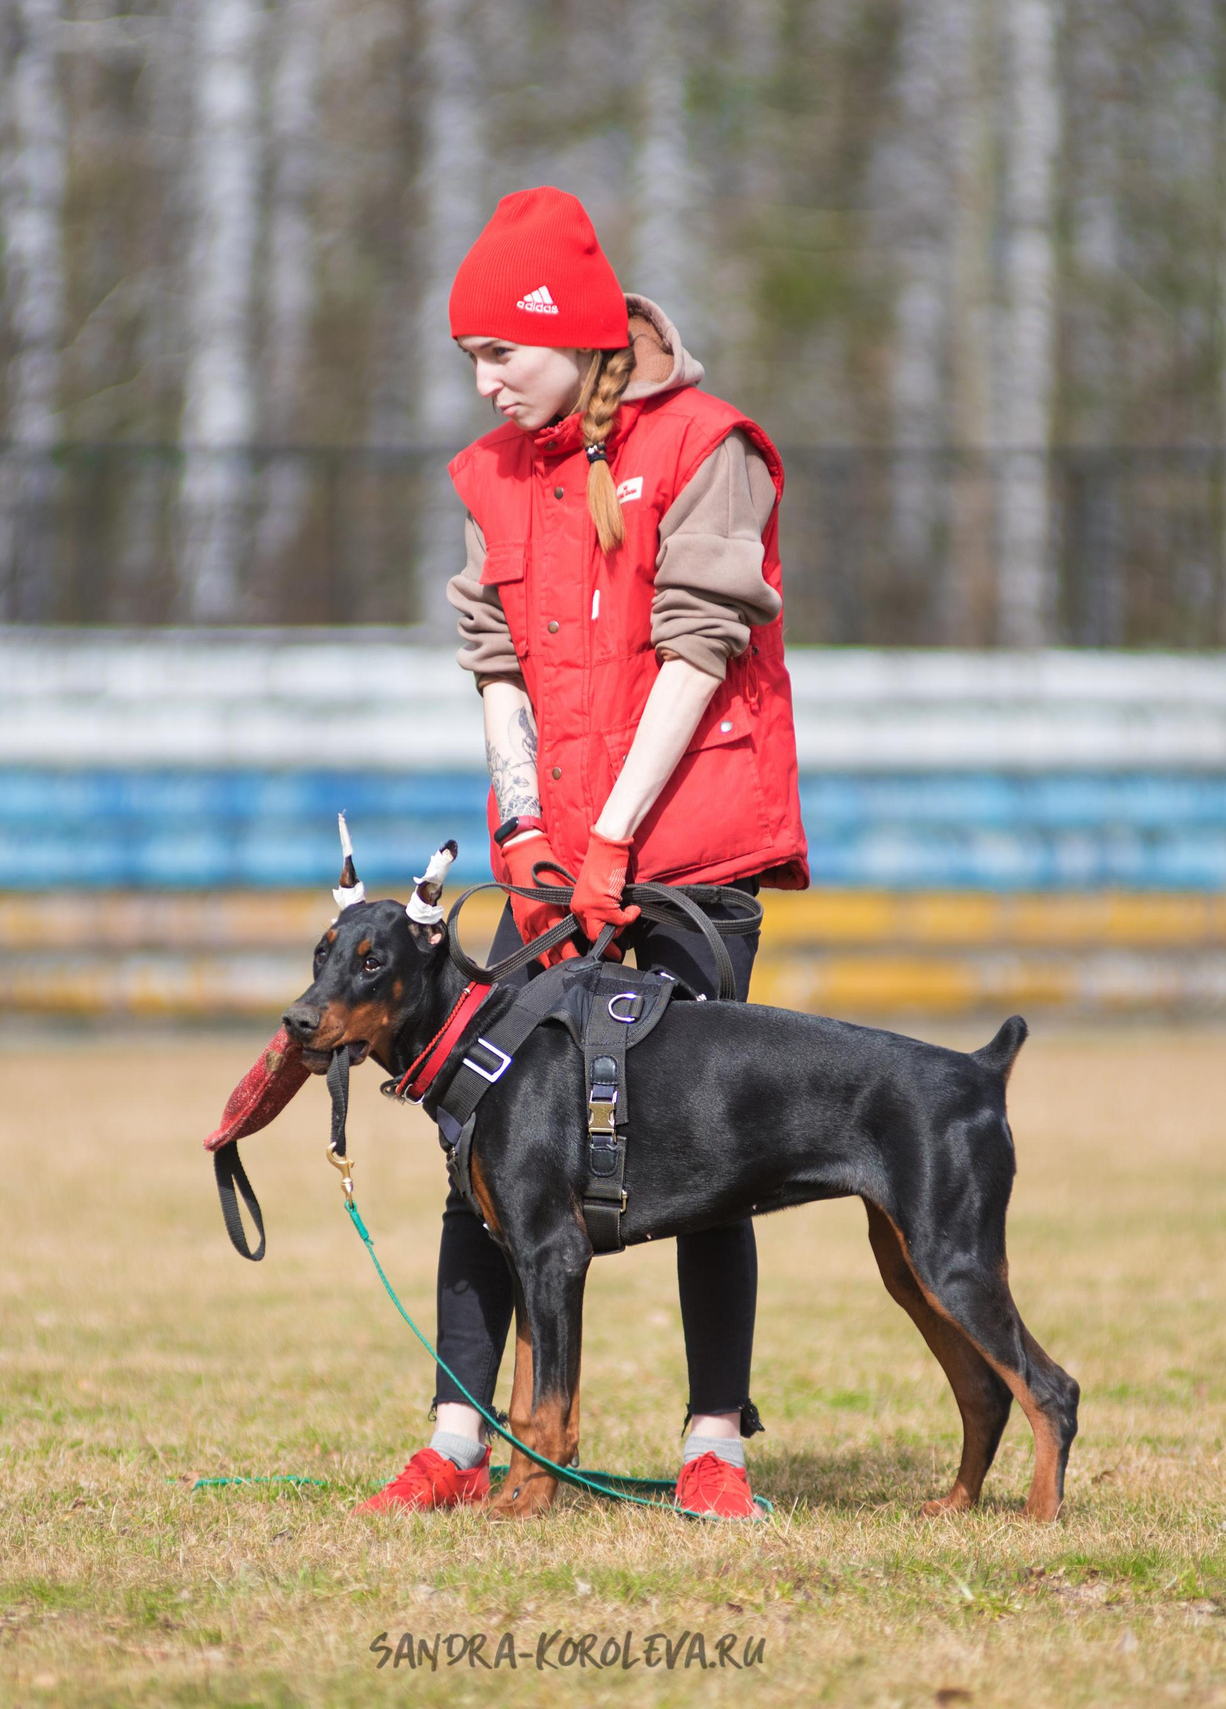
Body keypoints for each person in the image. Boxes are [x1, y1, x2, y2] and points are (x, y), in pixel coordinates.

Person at [358, 187, 809, 1520]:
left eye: (501, 351)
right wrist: (525, 827)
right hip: (561, 862)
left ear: (573, 333)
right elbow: (496, 666)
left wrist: (616, 830)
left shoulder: (705, 447)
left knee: (703, 1143)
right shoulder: (493, 473)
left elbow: (700, 645)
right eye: (470, 359)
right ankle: (459, 1433)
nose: (483, 381)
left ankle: (713, 1442)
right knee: (480, 1132)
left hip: (684, 860)